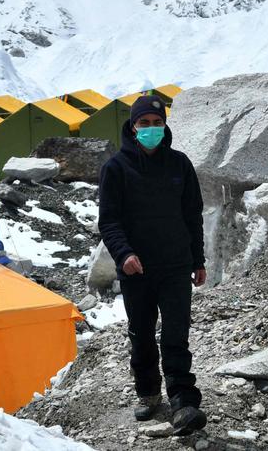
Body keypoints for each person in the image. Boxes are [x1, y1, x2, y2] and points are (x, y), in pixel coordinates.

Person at [98, 94, 207, 435]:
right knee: (142, 334)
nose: (151, 129)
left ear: (164, 126)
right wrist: (124, 254)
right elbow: (109, 221)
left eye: (157, 123)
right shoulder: (115, 169)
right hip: (137, 270)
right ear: (132, 127)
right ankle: (148, 393)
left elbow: (192, 215)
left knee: (176, 334)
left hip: (175, 265)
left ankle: (183, 400)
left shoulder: (180, 164)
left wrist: (198, 259)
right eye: (144, 123)